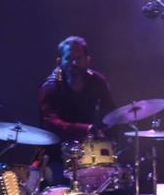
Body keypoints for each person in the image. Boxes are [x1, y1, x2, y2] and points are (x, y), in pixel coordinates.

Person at [38, 35, 117, 187]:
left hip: (91, 150)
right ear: (59, 62)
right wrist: (86, 129)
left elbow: (111, 112)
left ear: (88, 60)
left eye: (78, 58)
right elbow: (51, 122)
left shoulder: (98, 81)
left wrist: (107, 131)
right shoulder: (50, 86)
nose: (74, 63)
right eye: (69, 58)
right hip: (57, 153)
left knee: (117, 187)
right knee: (61, 187)